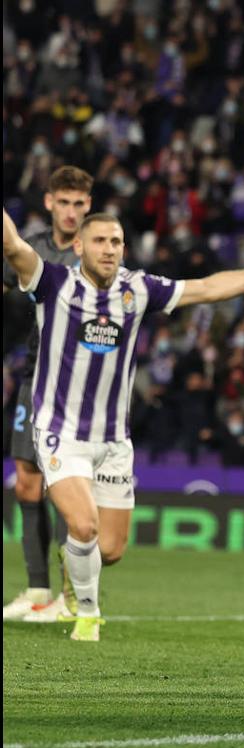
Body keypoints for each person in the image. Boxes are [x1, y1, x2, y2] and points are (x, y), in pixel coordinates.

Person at [1, 208, 244, 641]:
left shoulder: (137, 289)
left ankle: (73, 567)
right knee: (84, 526)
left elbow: (208, 288)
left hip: (113, 440)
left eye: (116, 242)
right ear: (78, 247)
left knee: (109, 550)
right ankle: (87, 614)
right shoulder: (55, 283)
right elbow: (14, 245)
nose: (109, 249)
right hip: (60, 432)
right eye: (99, 241)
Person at [3, 165, 93, 623]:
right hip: (32, 376)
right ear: (50, 202)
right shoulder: (32, 247)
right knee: (26, 481)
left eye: (80, 203)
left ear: (88, 207)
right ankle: (38, 589)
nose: (72, 211)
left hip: (76, 385)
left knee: (64, 487)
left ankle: (69, 595)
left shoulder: (96, 249)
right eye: (65, 202)